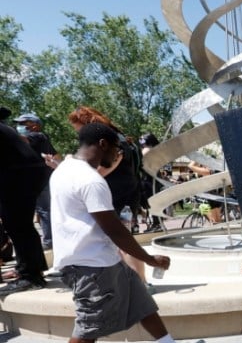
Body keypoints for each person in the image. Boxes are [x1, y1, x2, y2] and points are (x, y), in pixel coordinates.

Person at [49, 122, 204, 343]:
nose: (119, 155)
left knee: (141, 301)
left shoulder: (65, 170)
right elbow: (115, 231)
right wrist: (150, 259)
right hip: (92, 264)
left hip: (100, 259)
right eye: (117, 149)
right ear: (104, 144)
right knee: (88, 325)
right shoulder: (91, 181)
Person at [67, 106, 150, 288]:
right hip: (127, 194)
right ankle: (139, 283)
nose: (79, 134)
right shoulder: (120, 137)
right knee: (124, 241)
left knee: (124, 242)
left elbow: (102, 171)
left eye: (78, 128)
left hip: (119, 197)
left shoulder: (112, 142)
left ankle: (140, 284)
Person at [0, 121, 49, 295]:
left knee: (17, 224)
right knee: (22, 224)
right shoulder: (5, 128)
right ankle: (31, 268)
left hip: (18, 175)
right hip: (28, 172)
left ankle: (31, 276)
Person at [14, 112, 61, 249]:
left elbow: (22, 139)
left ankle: (49, 242)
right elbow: (55, 154)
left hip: (40, 180)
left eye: (23, 124)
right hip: (40, 179)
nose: (19, 126)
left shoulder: (37, 136)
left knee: (44, 211)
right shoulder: (43, 138)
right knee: (42, 212)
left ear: (35, 126)